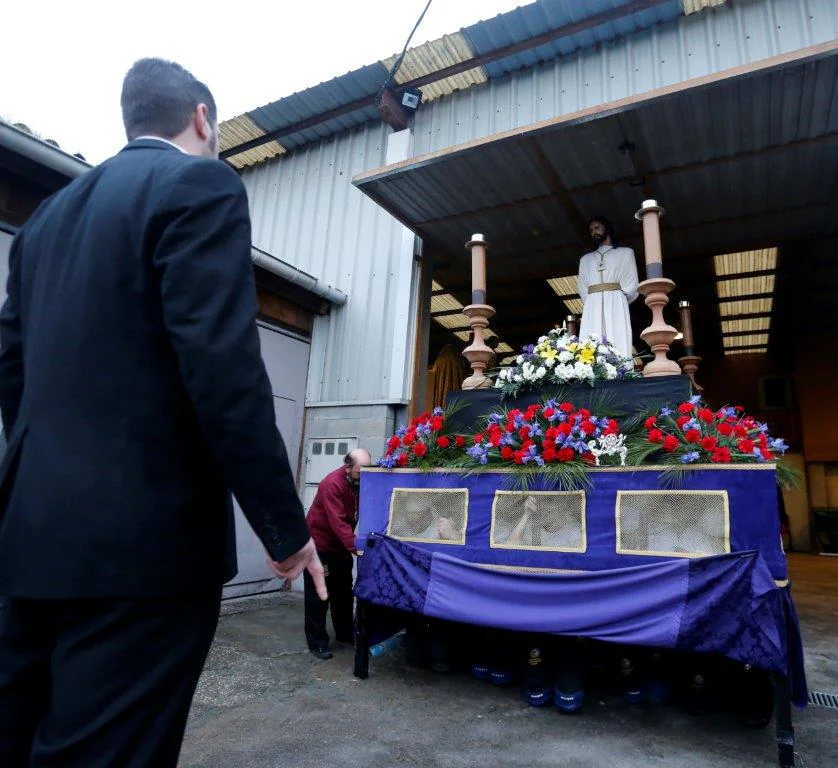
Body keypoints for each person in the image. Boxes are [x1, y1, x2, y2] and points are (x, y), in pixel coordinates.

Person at [0, 58, 326, 768]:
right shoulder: (199, 183)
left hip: (27, 540)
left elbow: (13, 373)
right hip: (142, 553)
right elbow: (223, 369)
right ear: (203, 119)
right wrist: (283, 526)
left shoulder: (43, 225)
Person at [304, 448, 371, 660]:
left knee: (343, 592)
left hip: (340, 547)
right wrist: (357, 548)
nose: (364, 478)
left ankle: (344, 634)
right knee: (319, 595)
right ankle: (317, 642)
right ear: (347, 467)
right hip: (320, 547)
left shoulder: (358, 482)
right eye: (360, 473)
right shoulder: (332, 485)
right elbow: (339, 523)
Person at [577, 215, 640, 358]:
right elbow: (582, 287)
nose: (594, 232)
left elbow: (632, 281)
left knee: (617, 333)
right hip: (593, 304)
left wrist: (618, 298)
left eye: (597, 227)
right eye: (591, 229)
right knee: (592, 338)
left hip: (616, 301)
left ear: (607, 228)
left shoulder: (625, 253)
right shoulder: (585, 260)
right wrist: (594, 302)